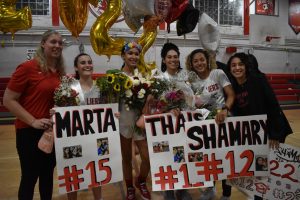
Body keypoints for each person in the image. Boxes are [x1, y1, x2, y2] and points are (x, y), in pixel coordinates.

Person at [3, 30, 65, 200]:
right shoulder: (28, 67)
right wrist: (33, 121)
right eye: (53, 42)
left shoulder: (59, 72)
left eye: (60, 43)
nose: (57, 46)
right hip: (29, 133)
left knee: (47, 176)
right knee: (29, 178)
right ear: (43, 43)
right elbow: (8, 100)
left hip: (52, 133)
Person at [226, 52, 293, 200]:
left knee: (266, 168)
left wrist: (274, 134)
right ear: (230, 68)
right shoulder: (233, 86)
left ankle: (261, 196)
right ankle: (258, 195)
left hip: (270, 131)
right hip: (254, 135)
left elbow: (273, 105)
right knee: (257, 168)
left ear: (246, 66)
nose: (237, 68)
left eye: (240, 64)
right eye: (233, 65)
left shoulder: (258, 79)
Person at [186, 49, 235, 200]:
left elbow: (231, 95)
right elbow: (190, 103)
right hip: (203, 126)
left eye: (202, 59)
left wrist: (225, 109)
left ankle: (226, 194)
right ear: (191, 64)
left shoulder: (218, 73)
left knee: (225, 159)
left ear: (207, 60)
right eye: (195, 61)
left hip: (222, 123)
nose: (199, 63)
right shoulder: (191, 80)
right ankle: (210, 189)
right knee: (208, 159)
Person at [67, 52, 103, 200]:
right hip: (74, 138)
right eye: (83, 63)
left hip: (95, 139)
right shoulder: (69, 88)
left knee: (97, 171)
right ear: (76, 67)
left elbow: (106, 110)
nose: (87, 65)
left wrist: (114, 115)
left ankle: (99, 198)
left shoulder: (101, 87)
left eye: (89, 62)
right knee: (73, 173)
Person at [160, 42, 193, 200]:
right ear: (164, 60)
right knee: (167, 157)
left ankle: (182, 188)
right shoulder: (159, 78)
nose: (173, 59)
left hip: (183, 123)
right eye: (169, 57)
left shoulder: (186, 76)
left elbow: (193, 98)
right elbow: (155, 105)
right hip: (166, 126)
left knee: (183, 156)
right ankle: (168, 190)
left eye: (176, 57)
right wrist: (167, 110)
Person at [119, 41, 151, 200]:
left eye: (136, 54)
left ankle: (142, 181)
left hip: (140, 123)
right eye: (130, 53)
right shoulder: (115, 76)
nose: (133, 56)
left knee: (147, 157)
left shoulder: (144, 77)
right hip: (123, 123)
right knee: (126, 158)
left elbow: (149, 99)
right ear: (123, 55)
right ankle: (130, 187)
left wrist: (149, 101)